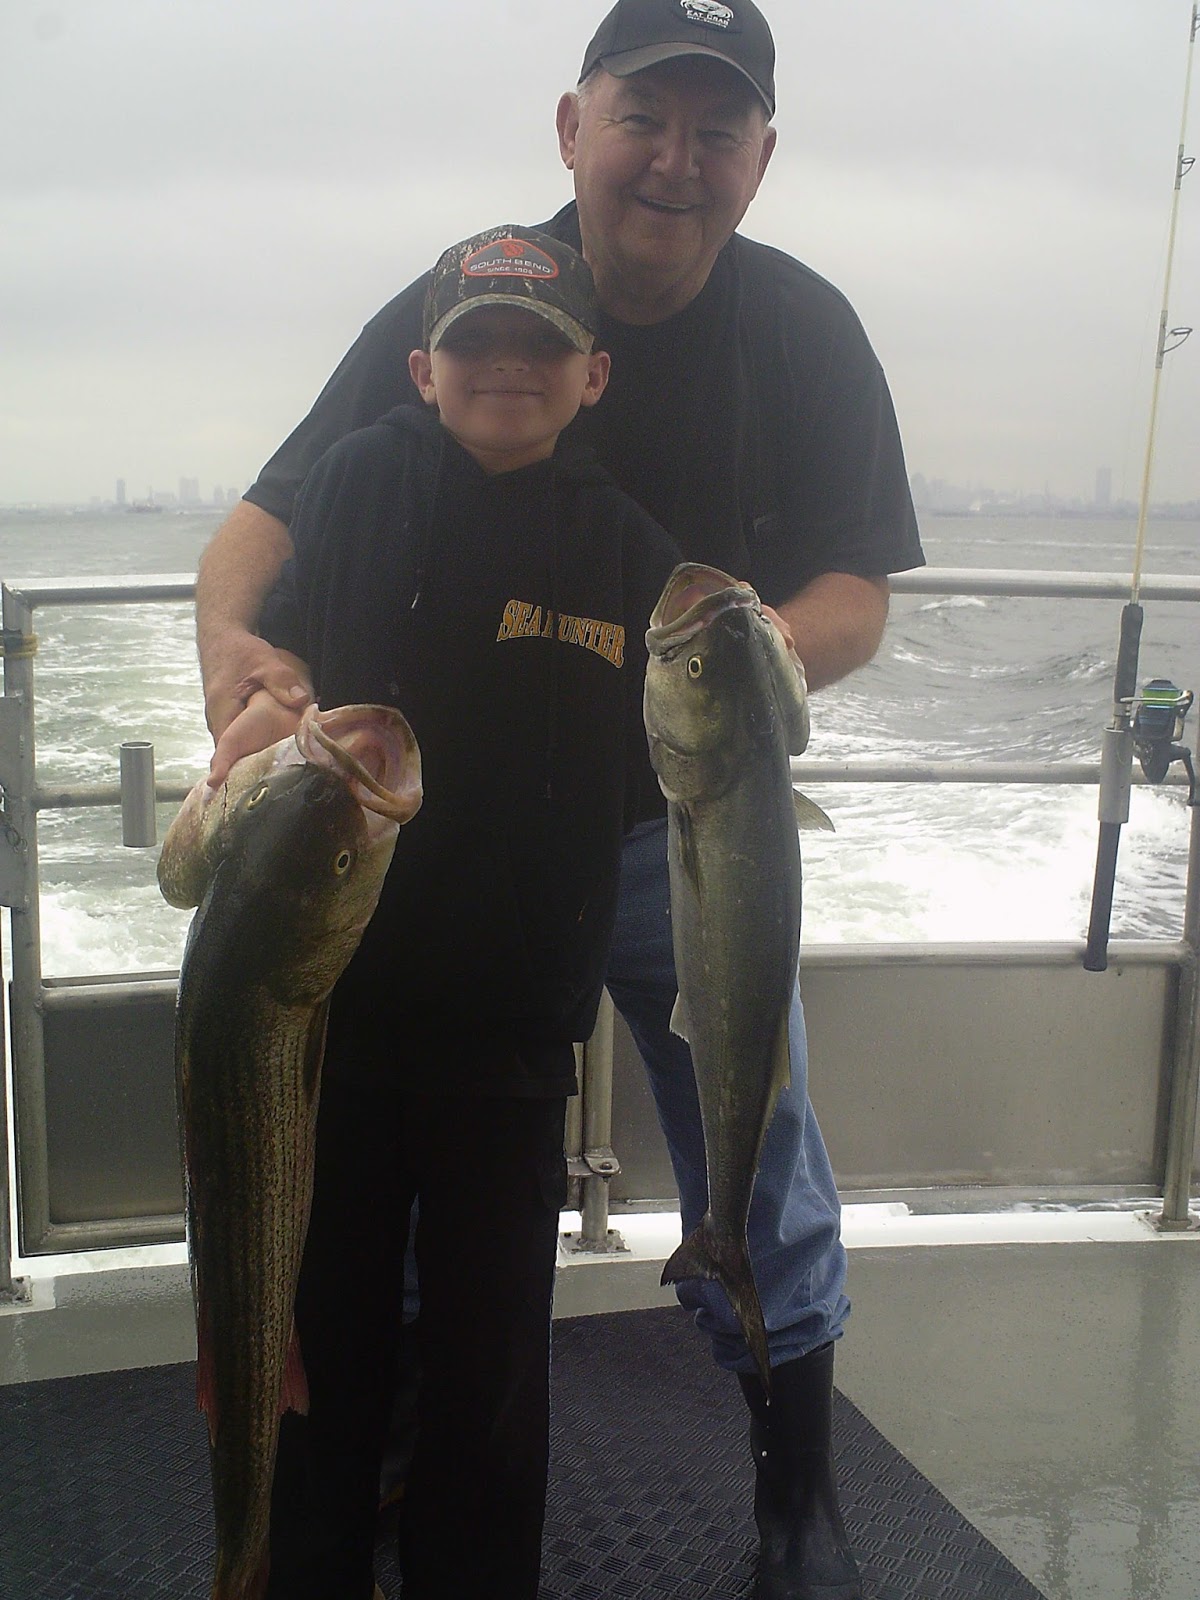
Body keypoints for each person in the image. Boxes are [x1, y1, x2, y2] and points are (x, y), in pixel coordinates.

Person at [196, 3, 925, 1596]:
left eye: (714, 128)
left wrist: (730, 673)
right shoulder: (481, 284)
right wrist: (238, 656)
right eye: (642, 117)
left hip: (686, 828)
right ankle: (376, 1443)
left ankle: (794, 1486)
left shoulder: (804, 329)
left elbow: (858, 590)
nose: (674, 161)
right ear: (571, 125)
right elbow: (264, 520)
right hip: (451, 838)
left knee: (759, 1140)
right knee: (394, 1161)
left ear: (762, 157)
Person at [230, 225, 681, 1600]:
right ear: (421, 367)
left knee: (491, 1378)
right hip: (330, 1019)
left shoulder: (629, 549)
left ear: (592, 374)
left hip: (509, 1048)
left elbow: (685, 756)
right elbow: (286, 646)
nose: (506, 369)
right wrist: (254, 699)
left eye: (538, 346)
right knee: (327, 1351)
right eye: (475, 343)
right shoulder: (356, 480)